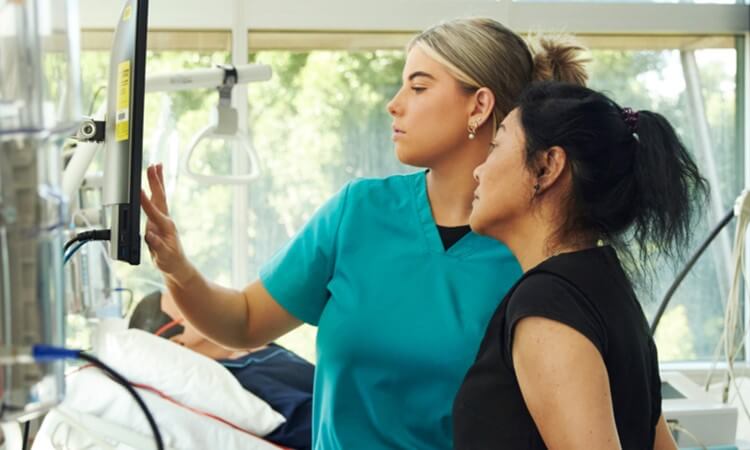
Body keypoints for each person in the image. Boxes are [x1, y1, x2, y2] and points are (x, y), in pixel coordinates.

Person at [140, 18, 588, 449]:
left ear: (479, 106)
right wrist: (177, 268)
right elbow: (241, 322)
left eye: (418, 87)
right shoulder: (358, 213)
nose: (394, 103)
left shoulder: (535, 247)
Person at [453, 81, 709, 449]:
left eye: (495, 146)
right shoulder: (606, 285)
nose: (479, 170)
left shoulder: (547, 304)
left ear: (547, 166)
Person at [128, 290, 314, 450]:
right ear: (176, 343)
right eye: (186, 306)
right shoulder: (238, 382)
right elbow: (309, 426)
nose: (202, 302)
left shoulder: (255, 345)